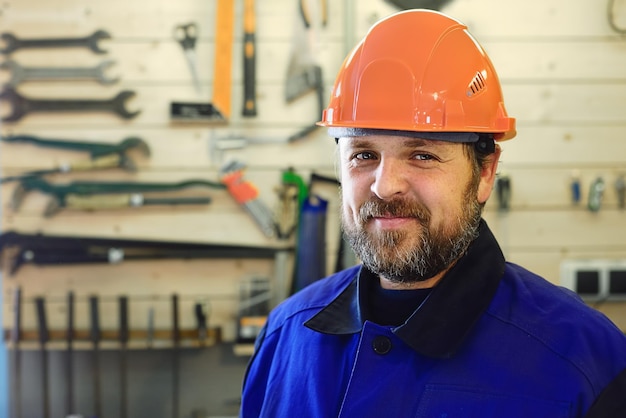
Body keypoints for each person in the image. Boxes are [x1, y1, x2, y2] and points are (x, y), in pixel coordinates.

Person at [240, 9, 626, 418]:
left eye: (422, 155)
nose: (385, 186)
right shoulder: (285, 337)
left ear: (485, 172)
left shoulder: (586, 362)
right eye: (364, 155)